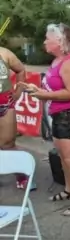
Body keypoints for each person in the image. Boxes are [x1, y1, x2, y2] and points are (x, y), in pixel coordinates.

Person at [21, 25, 70, 216]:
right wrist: (38, 91)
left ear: (59, 41)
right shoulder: (57, 61)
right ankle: (69, 189)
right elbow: (54, 90)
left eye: (47, 38)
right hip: (60, 114)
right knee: (63, 156)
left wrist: (43, 94)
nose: (44, 42)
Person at [0, 45, 29, 188]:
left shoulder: (4, 53)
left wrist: (19, 91)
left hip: (4, 103)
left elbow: (21, 70)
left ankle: (22, 175)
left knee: (7, 144)